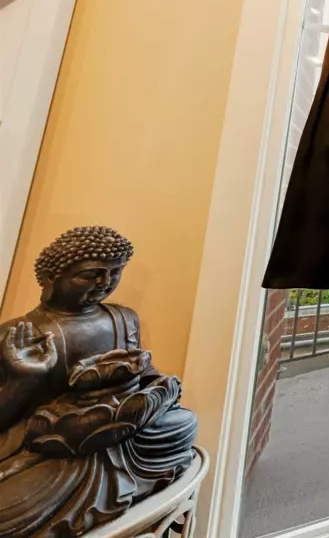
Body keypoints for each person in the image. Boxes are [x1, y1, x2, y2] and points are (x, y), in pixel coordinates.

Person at [0, 226, 198, 537]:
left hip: (123, 437)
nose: (105, 283)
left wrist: (161, 387)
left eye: (115, 273)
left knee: (183, 423)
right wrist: (24, 380)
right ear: (52, 278)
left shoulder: (123, 318)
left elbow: (145, 373)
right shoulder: (19, 333)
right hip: (54, 451)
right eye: (91, 274)